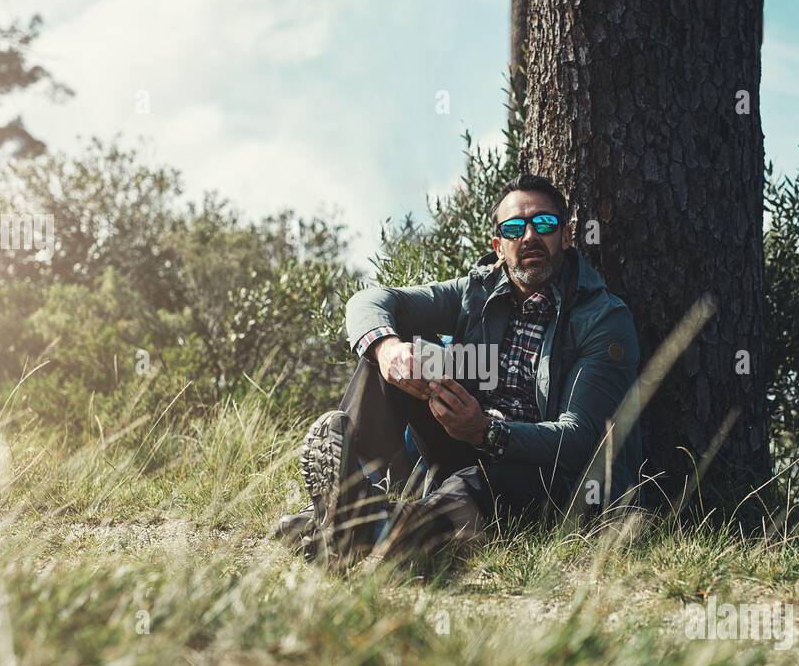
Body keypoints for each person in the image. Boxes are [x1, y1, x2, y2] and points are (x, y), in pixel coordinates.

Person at [274, 173, 643, 568]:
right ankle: (353, 495)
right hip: (466, 442)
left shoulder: (603, 318)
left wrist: (487, 431)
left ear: (567, 237)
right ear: (499, 246)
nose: (531, 235)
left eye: (545, 224)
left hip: (550, 476)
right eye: (515, 227)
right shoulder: (478, 290)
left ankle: (356, 525)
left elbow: (580, 440)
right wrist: (387, 349)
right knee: (399, 347)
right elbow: (371, 299)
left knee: (479, 481)